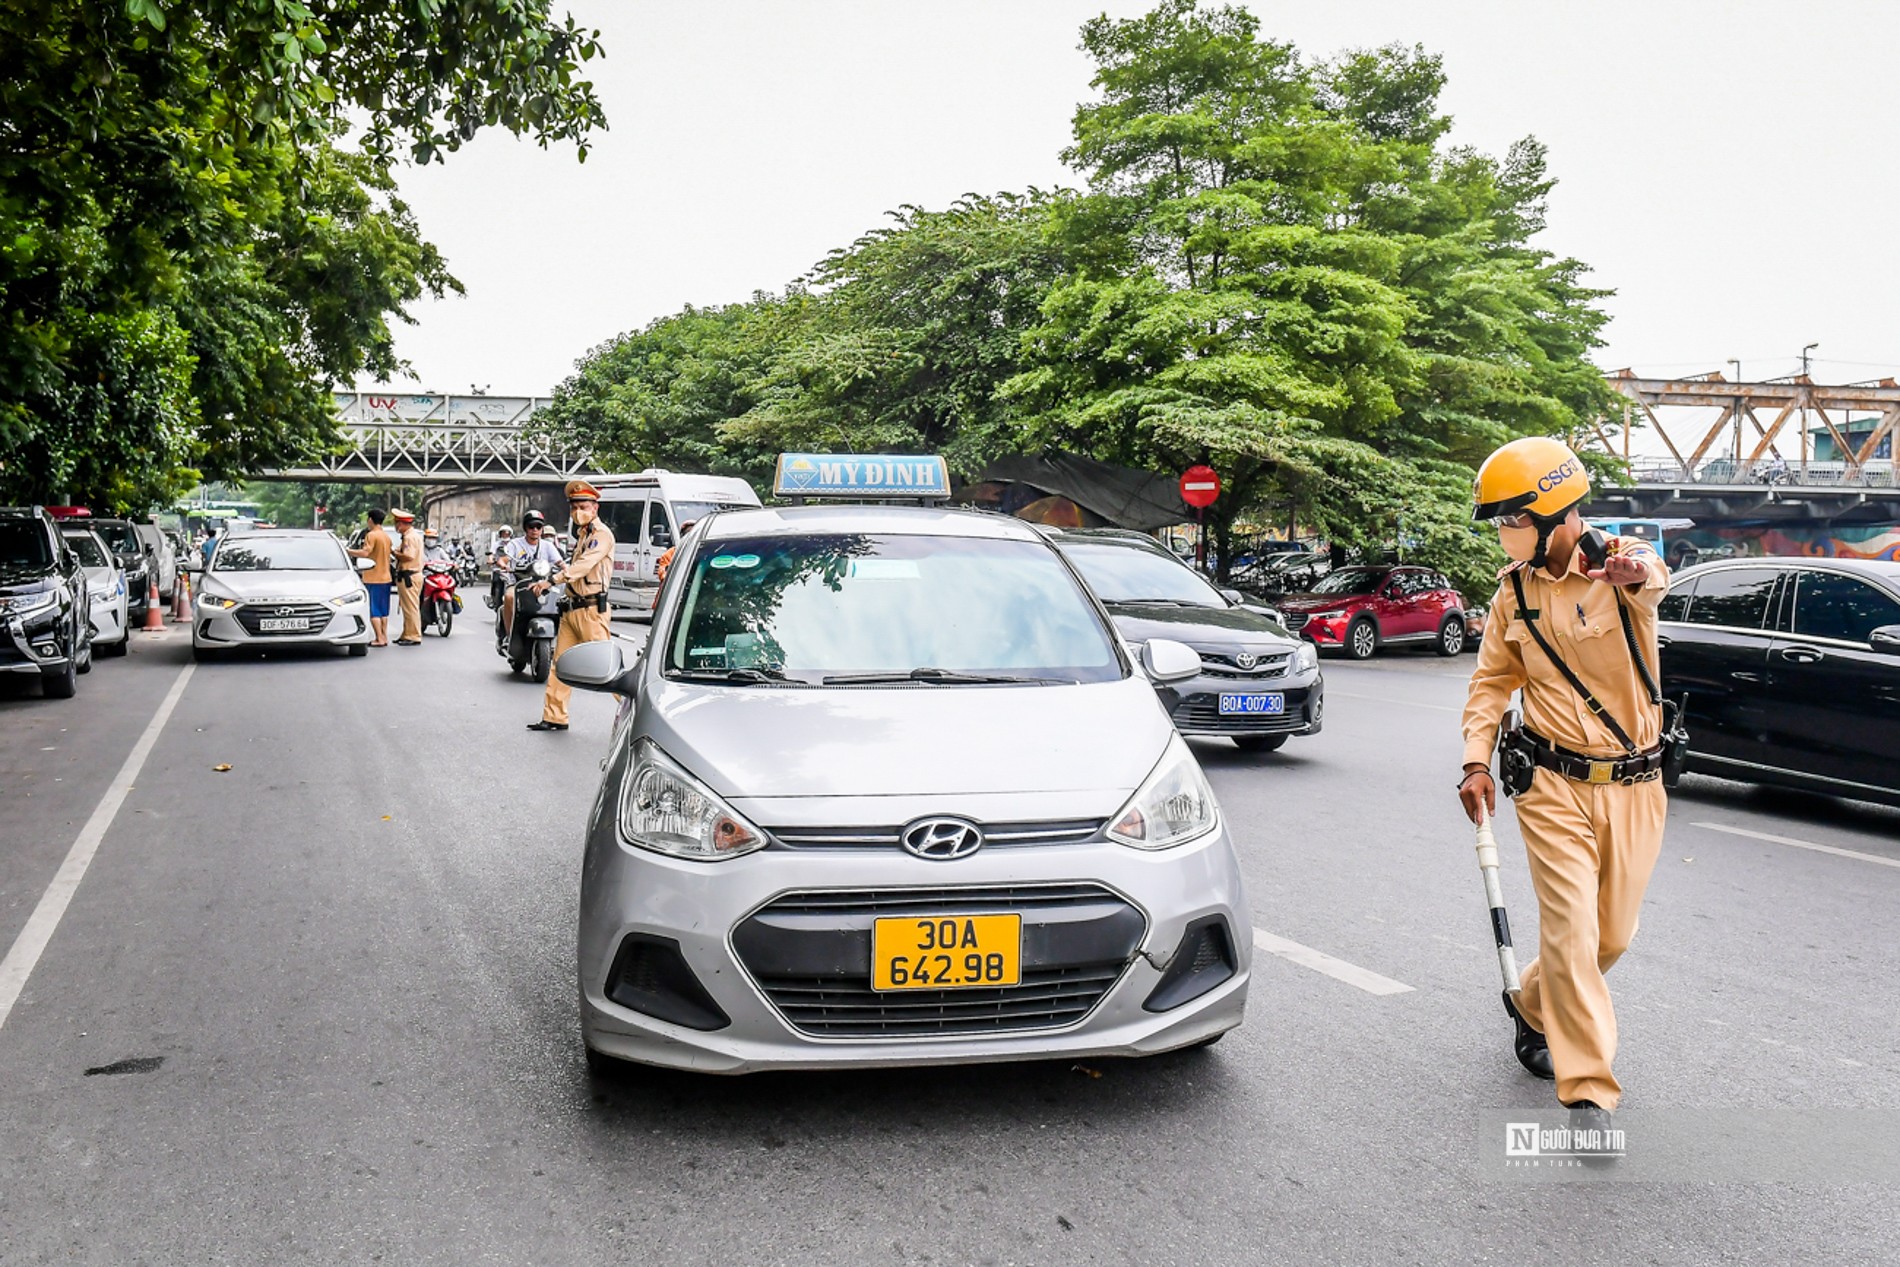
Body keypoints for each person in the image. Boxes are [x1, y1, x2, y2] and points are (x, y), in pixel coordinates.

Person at [1457, 436, 1670, 1154]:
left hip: (1636, 783)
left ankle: (1530, 1001)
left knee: (1611, 936)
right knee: (1573, 929)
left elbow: (1653, 577)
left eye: (1510, 517)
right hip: (1550, 784)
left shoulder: (1623, 567)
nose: (1502, 531)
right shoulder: (1512, 592)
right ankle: (1589, 1093)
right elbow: (1490, 683)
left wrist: (1634, 571)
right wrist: (1474, 761)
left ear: (1554, 512)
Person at [527, 481, 616, 732]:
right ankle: (554, 717)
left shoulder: (601, 535)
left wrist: (551, 581)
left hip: (591, 611)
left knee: (606, 669)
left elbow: (584, 566)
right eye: (574, 507)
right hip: (571, 609)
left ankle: (639, 714)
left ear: (595, 508)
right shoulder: (583, 535)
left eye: (583, 506)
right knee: (559, 666)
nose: (578, 511)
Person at [496, 509, 562, 642]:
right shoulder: (515, 544)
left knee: (563, 599)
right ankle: (509, 636)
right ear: (526, 528)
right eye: (531, 526)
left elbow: (560, 562)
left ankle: (559, 639)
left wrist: (566, 568)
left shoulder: (548, 546)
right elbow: (503, 559)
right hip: (519, 584)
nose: (535, 530)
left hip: (544, 584)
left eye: (538, 527)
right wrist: (504, 565)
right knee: (509, 596)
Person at [347, 508, 395, 647]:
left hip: (373, 577)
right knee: (383, 610)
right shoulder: (386, 536)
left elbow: (366, 553)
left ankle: (379, 638)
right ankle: (384, 637)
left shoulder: (371, 535)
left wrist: (349, 552)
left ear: (370, 520)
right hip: (386, 577)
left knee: (374, 610)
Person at [391, 508, 425, 646]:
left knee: (411, 607)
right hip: (410, 575)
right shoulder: (412, 536)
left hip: (409, 575)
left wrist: (394, 553)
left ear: (403, 524)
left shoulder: (409, 538)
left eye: (397, 523)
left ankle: (413, 635)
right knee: (408, 607)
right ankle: (407, 633)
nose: (396, 526)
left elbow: (408, 556)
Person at [653, 519, 696, 585]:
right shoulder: (670, 554)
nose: (690, 538)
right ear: (682, 536)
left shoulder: (703, 555)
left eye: (694, 535)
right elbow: (663, 574)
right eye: (687, 534)